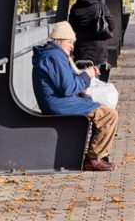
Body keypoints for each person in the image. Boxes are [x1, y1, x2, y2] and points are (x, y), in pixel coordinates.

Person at [32, 21, 119, 172]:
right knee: (108, 115)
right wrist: (87, 75)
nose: (72, 46)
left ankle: (97, 156)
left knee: (99, 107)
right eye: (70, 42)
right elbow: (68, 87)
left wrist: (83, 82)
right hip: (58, 103)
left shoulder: (54, 54)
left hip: (58, 100)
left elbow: (67, 83)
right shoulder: (54, 56)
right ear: (59, 40)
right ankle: (93, 158)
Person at [69, 0, 114, 82]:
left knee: (82, 80)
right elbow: (112, 25)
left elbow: (70, 28)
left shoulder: (75, 7)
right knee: (98, 82)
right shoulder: (101, 7)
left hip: (81, 50)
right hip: (99, 52)